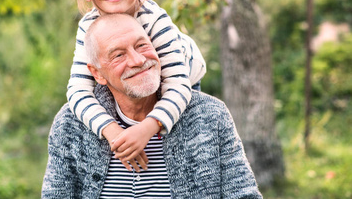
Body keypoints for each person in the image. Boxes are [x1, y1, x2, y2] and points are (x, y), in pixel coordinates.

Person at [42, 14, 262, 198]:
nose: (138, 60)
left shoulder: (210, 115)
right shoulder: (70, 125)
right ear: (97, 73)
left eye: (142, 45)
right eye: (118, 55)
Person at [67, 0, 206, 169]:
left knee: (179, 144)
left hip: (182, 79)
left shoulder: (153, 18)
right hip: (130, 89)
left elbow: (178, 84)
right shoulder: (88, 27)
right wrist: (113, 132)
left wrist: (147, 128)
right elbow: (78, 91)